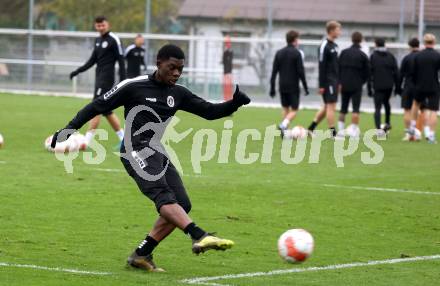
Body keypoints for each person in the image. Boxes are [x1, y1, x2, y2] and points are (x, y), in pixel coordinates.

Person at [51, 44, 251, 271]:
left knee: (182, 204)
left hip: (156, 150)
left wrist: (235, 103)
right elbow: (97, 105)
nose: (176, 73)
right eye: (172, 67)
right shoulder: (133, 86)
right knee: (165, 198)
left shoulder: (179, 93)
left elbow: (209, 111)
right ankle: (199, 235)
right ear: (159, 63)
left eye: (180, 69)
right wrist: (69, 130)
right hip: (133, 149)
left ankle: (141, 254)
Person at [69, 16, 126, 148]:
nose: (101, 27)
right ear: (95, 26)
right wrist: (78, 71)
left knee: (96, 107)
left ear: (108, 25)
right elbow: (92, 60)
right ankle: (124, 139)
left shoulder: (114, 39)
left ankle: (86, 142)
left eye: (103, 25)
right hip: (99, 77)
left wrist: (124, 80)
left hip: (106, 79)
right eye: (98, 25)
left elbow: (121, 60)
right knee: (106, 110)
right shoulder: (98, 40)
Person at [270, 30, 309, 135]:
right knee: (294, 110)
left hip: (282, 85)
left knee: (285, 108)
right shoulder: (297, 53)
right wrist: (305, 87)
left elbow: (274, 72)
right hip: (293, 86)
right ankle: (283, 125)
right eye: (298, 39)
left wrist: (272, 88)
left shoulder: (279, 53)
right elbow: (301, 72)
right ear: (295, 40)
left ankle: (285, 132)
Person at [307, 21, 341, 138]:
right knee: (331, 107)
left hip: (335, 81)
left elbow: (337, 66)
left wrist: (339, 82)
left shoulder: (335, 46)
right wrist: (321, 85)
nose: (339, 32)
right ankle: (333, 134)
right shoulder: (324, 46)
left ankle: (311, 128)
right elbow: (321, 66)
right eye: (338, 29)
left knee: (327, 107)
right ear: (331, 31)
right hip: (328, 81)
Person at [337, 31, 369, 137]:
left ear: (351, 39)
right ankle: (354, 132)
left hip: (344, 84)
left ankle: (340, 132)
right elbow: (367, 72)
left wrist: (339, 82)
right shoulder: (363, 55)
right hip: (356, 85)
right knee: (356, 109)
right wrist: (361, 81)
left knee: (343, 109)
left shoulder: (344, 53)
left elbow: (338, 68)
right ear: (361, 40)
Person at [409, 33, 440, 144]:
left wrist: (414, 84)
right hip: (433, 85)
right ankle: (431, 136)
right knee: (433, 111)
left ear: (424, 42)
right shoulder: (437, 56)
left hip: (419, 85)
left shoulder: (418, 55)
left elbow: (412, 72)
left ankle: (412, 127)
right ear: (434, 42)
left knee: (415, 104)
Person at [368, 38, 400, 135]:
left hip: (377, 85)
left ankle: (378, 129)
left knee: (377, 107)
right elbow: (396, 72)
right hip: (389, 85)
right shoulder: (390, 56)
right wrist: (397, 86)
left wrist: (369, 88)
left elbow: (369, 73)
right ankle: (387, 123)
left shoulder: (373, 57)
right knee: (386, 103)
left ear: (376, 44)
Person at [398, 38, 423, 141]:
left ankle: (409, 134)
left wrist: (398, 87)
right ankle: (417, 132)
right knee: (417, 109)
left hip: (408, 86)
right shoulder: (422, 57)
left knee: (407, 110)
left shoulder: (406, 58)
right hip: (420, 86)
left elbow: (401, 74)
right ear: (418, 45)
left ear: (409, 46)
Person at [222, 35, 234, 101]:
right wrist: (226, 51)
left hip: (229, 72)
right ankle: (226, 98)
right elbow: (224, 61)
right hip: (225, 72)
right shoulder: (225, 52)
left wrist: (227, 51)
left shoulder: (231, 52)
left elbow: (230, 61)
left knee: (229, 86)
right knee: (225, 86)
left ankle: (229, 98)